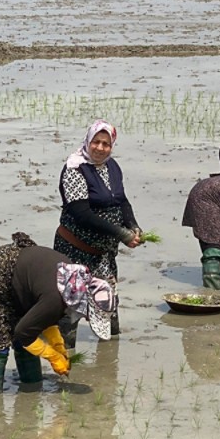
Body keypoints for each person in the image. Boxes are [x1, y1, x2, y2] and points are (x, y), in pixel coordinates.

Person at [0, 232, 116, 396]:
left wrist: (58, 345)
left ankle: (31, 388)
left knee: (28, 336)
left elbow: (44, 317)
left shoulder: (74, 284)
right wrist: (53, 357)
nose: (86, 318)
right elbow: (23, 333)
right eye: (89, 315)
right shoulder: (56, 298)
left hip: (18, 280)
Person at [54, 120, 142, 341]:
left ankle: (110, 357)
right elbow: (81, 213)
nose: (100, 148)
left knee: (107, 302)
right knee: (71, 305)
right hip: (75, 250)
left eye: (106, 144)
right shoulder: (75, 169)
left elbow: (121, 201)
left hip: (103, 253)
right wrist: (120, 234)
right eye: (96, 142)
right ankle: (67, 358)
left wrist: (132, 225)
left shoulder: (112, 167)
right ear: (88, 141)